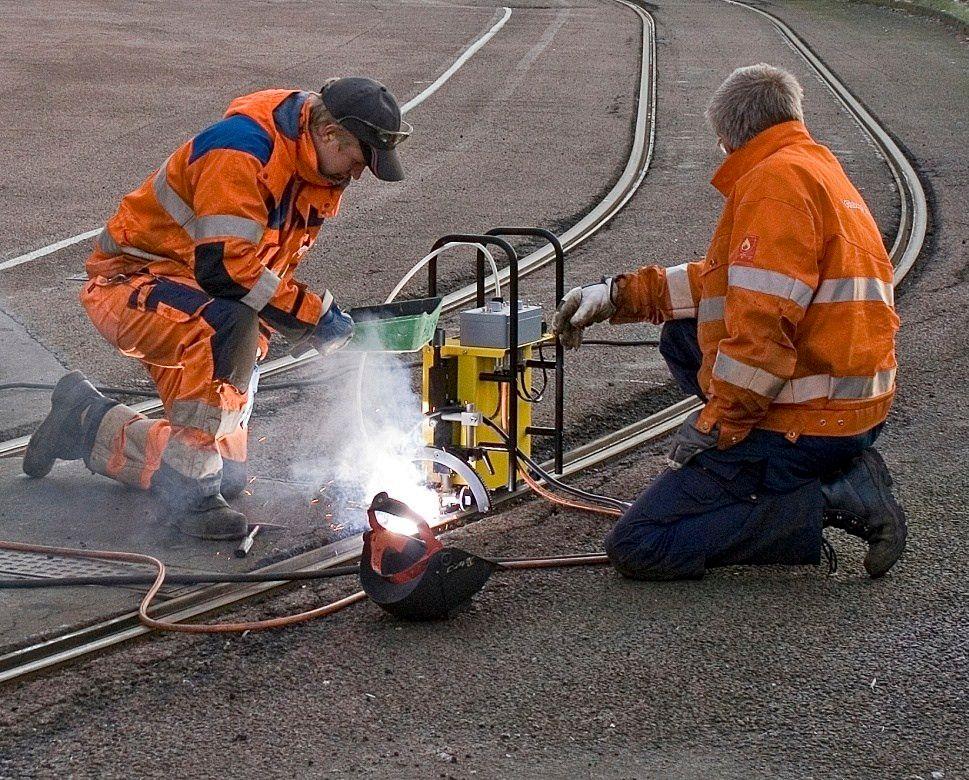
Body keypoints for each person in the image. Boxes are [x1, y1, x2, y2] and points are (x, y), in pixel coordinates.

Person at [552, 64, 906, 580]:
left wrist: (716, 428)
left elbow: (762, 333)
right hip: (854, 407)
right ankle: (820, 470)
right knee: (681, 336)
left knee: (640, 545)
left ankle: (828, 497)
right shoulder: (815, 167)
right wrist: (618, 296)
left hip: (812, 422)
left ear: (728, 137)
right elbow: (724, 281)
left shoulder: (773, 186)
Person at [23, 77, 411, 540]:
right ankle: (191, 497)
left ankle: (84, 419)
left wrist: (295, 322)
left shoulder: (312, 167)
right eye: (358, 160)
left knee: (227, 474)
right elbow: (226, 270)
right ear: (329, 134)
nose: (358, 174)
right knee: (224, 332)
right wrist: (313, 317)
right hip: (131, 284)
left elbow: (257, 276)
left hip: (196, 291)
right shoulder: (242, 152)